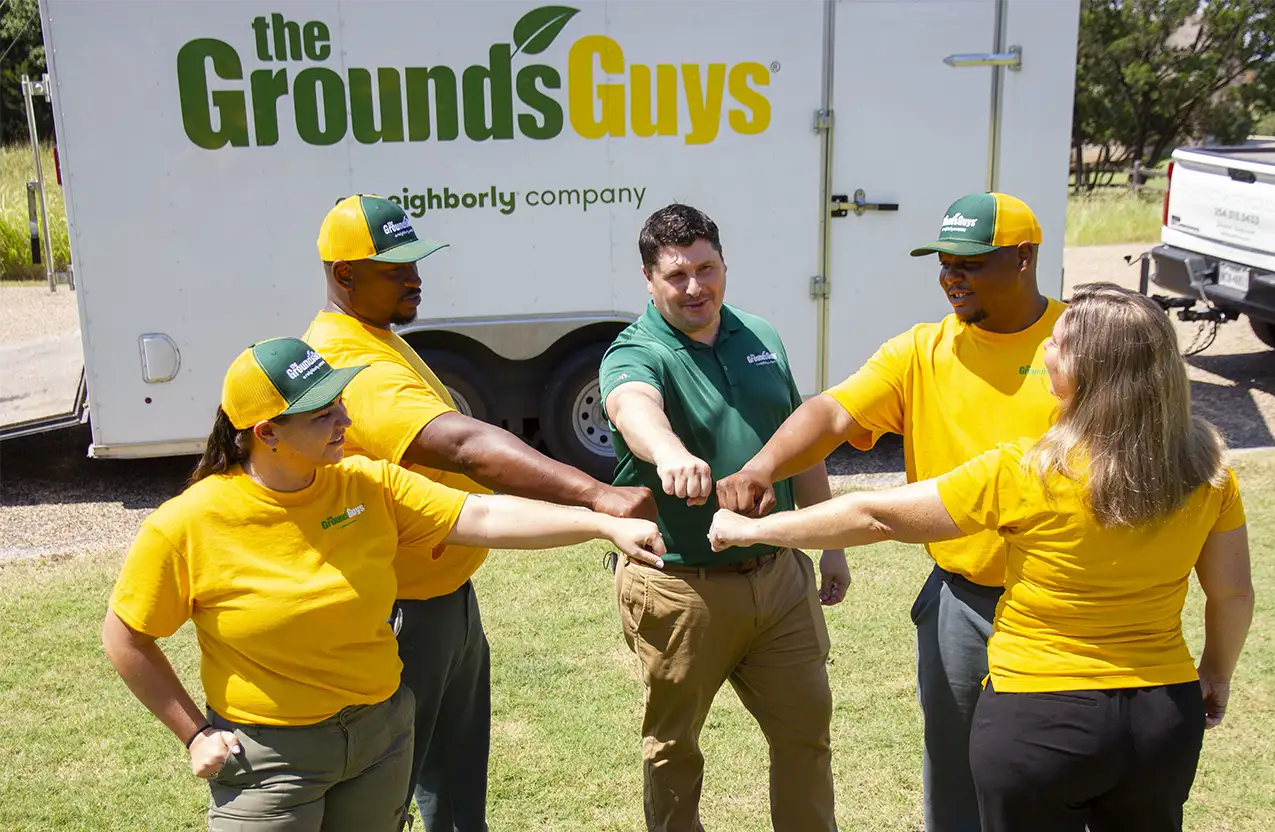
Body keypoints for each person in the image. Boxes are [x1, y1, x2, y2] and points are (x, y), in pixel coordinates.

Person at [709, 283, 1255, 832]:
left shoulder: (1029, 471)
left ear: (1090, 371)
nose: (1044, 352)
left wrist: (752, 529)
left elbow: (875, 515)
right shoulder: (1210, 473)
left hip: (1040, 716)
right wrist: (1216, 672)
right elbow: (1233, 593)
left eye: (1058, 346)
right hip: (1163, 717)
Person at [101, 338, 665, 832]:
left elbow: (485, 517)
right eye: (323, 413)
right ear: (266, 432)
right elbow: (127, 638)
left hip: (380, 739)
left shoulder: (365, 485)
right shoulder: (188, 523)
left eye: (340, 401)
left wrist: (600, 522)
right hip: (270, 761)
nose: (345, 420)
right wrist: (196, 735)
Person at [300, 194, 656, 831]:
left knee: (458, 796)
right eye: (394, 268)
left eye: (417, 261)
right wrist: (599, 495)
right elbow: (465, 446)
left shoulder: (377, 337)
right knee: (389, 795)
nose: (415, 277)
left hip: (444, 598)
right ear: (344, 275)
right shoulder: (354, 362)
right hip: (403, 614)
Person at [715, 192, 1064, 831]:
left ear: (1022, 258)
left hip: (1060, 602)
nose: (951, 276)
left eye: (970, 262)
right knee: (955, 774)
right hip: (960, 601)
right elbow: (833, 413)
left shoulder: (1075, 348)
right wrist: (763, 467)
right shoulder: (921, 352)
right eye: (943, 262)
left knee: (1049, 776)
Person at [598, 203, 848, 832]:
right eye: (676, 275)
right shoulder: (636, 350)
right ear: (649, 282)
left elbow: (801, 442)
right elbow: (633, 407)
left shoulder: (760, 334)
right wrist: (669, 451)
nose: (695, 288)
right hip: (682, 587)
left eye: (706, 269)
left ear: (724, 266)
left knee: (806, 736)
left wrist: (832, 542)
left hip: (779, 576)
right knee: (674, 749)